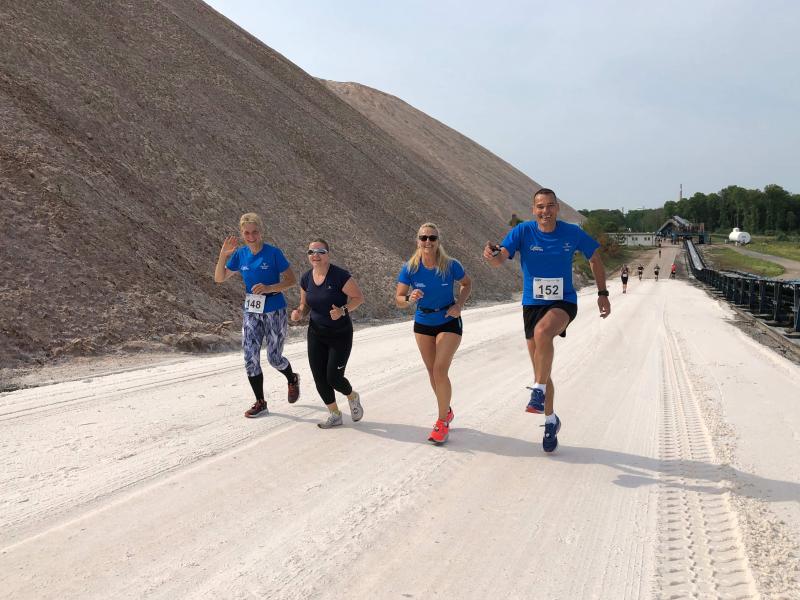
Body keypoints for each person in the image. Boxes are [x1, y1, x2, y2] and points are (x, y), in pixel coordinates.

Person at [483, 188, 610, 452]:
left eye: (550, 206)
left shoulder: (572, 233)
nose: (545, 211)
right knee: (542, 370)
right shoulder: (522, 231)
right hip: (532, 305)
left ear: (557, 208)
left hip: (563, 302)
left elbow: (595, 258)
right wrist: (492, 256)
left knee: (542, 333)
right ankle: (551, 420)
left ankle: (538, 390)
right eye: (540, 206)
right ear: (533, 209)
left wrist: (602, 293)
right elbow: (500, 258)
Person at [215, 213, 300, 418]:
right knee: (250, 356)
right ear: (242, 234)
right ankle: (260, 402)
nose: (251, 236)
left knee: (274, 358)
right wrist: (223, 255)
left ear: (261, 232)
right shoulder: (240, 254)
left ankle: (292, 379)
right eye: (247, 233)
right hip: (252, 310)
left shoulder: (273, 253)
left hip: (274, 309)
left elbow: (291, 280)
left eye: (254, 232)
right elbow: (219, 278)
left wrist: (270, 287)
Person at [395, 223, 472, 445]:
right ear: (417, 241)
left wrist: (459, 305)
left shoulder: (451, 265)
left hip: (448, 320)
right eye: (423, 237)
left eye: (432, 238)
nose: (427, 241)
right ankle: (446, 409)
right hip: (423, 322)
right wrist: (409, 298)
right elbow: (399, 299)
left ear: (438, 241)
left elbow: (466, 284)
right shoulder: (410, 268)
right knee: (432, 372)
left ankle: (442, 422)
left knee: (440, 369)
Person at [290, 239, 365, 429]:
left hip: (340, 334)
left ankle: (352, 396)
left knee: (334, 378)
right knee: (319, 377)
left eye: (320, 251)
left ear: (328, 254)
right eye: (311, 252)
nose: (315, 255)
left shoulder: (340, 276)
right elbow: (305, 304)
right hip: (316, 333)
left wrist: (342, 310)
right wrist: (299, 313)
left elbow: (358, 298)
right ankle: (335, 414)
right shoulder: (306, 278)